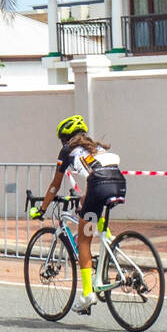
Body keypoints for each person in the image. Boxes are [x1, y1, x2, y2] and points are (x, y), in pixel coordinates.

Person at [30, 115, 126, 315]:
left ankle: (87, 294)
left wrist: (41, 209)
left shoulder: (67, 151)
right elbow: (96, 176)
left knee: (84, 241)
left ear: (65, 138)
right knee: (90, 212)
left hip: (99, 184)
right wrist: (83, 200)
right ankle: (109, 244)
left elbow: (56, 184)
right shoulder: (94, 147)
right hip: (117, 182)